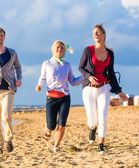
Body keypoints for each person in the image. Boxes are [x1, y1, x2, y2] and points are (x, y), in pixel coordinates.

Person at [78, 24, 128, 154]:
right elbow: (81, 68)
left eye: (98, 32)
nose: (96, 34)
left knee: (103, 117)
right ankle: (92, 128)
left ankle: (101, 145)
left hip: (104, 88)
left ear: (104, 35)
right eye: (94, 32)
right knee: (92, 120)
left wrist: (119, 91)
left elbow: (111, 73)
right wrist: (89, 77)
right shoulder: (88, 50)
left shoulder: (110, 53)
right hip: (89, 88)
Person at [36, 40, 84, 153]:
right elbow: (42, 77)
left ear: (64, 51)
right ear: (52, 49)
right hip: (51, 98)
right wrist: (39, 85)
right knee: (52, 125)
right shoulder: (47, 63)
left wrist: (85, 77)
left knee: (62, 124)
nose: (60, 50)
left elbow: (72, 81)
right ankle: (48, 129)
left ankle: (56, 146)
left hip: (65, 98)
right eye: (57, 47)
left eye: (62, 48)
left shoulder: (67, 65)